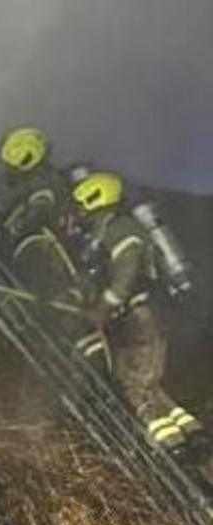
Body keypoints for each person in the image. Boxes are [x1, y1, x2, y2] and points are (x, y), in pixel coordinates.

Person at [70, 172, 206, 457]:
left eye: (82, 204)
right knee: (150, 386)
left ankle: (169, 446)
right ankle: (192, 435)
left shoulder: (120, 229)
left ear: (96, 198)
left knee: (131, 384)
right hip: (151, 314)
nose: (80, 211)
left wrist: (103, 308)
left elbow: (127, 271)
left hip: (139, 317)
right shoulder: (117, 229)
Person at [0, 128, 109, 370]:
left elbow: (38, 214)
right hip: (45, 251)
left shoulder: (42, 182)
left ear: (25, 158)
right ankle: (80, 363)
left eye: (11, 163)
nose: (8, 170)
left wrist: (8, 230)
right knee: (57, 308)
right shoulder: (46, 180)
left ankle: (88, 370)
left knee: (56, 306)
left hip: (42, 251)